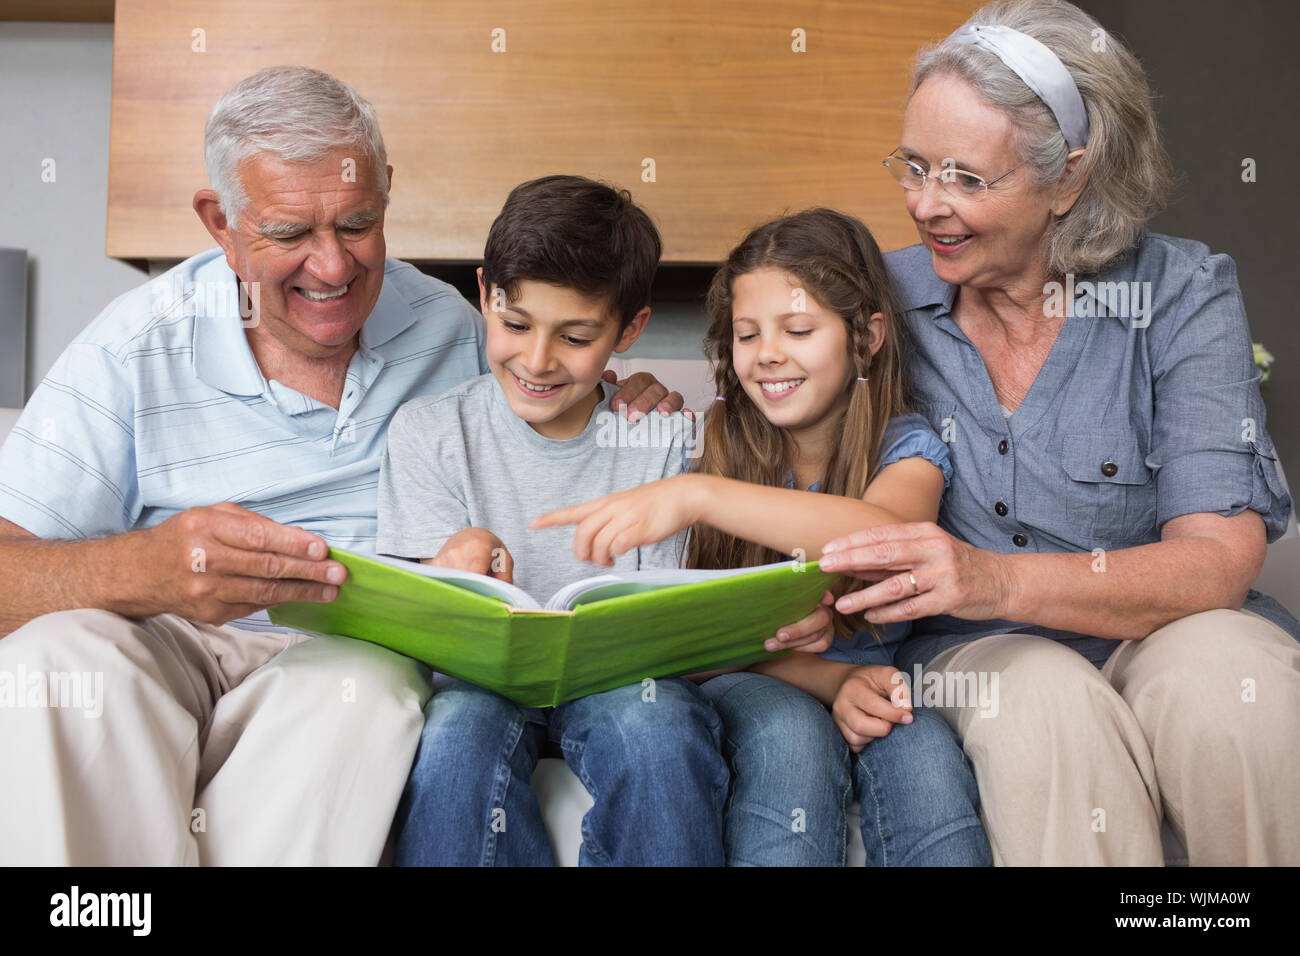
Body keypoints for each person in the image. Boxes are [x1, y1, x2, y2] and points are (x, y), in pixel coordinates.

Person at [0, 67, 681, 865]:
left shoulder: (449, 327)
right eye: (289, 234)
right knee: (51, 661)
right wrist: (146, 565)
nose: (331, 267)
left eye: (357, 225)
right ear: (222, 223)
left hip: (343, 656)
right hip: (172, 642)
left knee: (367, 689)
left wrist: (621, 402)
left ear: (387, 192)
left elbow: (538, 396)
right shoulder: (132, 345)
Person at [812, 0, 1300, 865]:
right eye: (914, 166)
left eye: (967, 178)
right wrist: (645, 394)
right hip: (975, 651)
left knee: (1234, 690)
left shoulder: (1182, 295)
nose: (926, 205)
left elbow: (1219, 558)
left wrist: (993, 576)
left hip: (1162, 628)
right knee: (1042, 704)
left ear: (1070, 180)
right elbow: (762, 385)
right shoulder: (877, 299)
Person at [540, 208, 991, 866]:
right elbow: (688, 641)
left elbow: (886, 536)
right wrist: (824, 681)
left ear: (867, 338)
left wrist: (700, 496)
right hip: (748, 676)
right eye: (747, 335)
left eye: (799, 329)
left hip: (873, 676)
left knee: (922, 754)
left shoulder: (906, 447)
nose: (770, 353)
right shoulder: (713, 444)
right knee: (790, 737)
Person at [379, 175, 729, 866]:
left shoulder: (657, 435)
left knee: (660, 733)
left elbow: (662, 622)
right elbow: (417, 627)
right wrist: (446, 567)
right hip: (478, 685)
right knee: (454, 743)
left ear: (630, 329)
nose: (536, 362)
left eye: (574, 337)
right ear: (485, 294)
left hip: (623, 681)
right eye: (514, 325)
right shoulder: (429, 431)